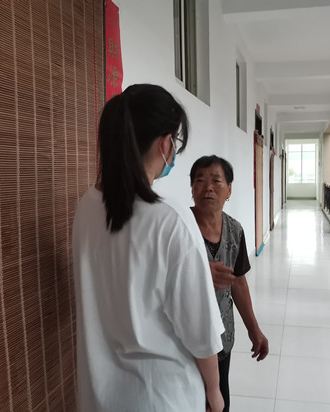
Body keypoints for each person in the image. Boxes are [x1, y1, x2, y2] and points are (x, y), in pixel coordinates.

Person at [72, 84, 225, 412]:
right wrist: (214, 391)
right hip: (163, 397)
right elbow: (200, 331)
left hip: (100, 397)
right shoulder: (171, 219)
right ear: (165, 144)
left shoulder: (87, 207)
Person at [190, 155, 269, 412]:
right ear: (192, 189)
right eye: (199, 180)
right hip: (187, 341)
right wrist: (200, 274)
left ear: (229, 190)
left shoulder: (235, 230)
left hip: (222, 336)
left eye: (216, 181)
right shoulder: (180, 227)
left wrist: (254, 329)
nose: (208, 187)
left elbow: (239, 284)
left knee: (220, 400)